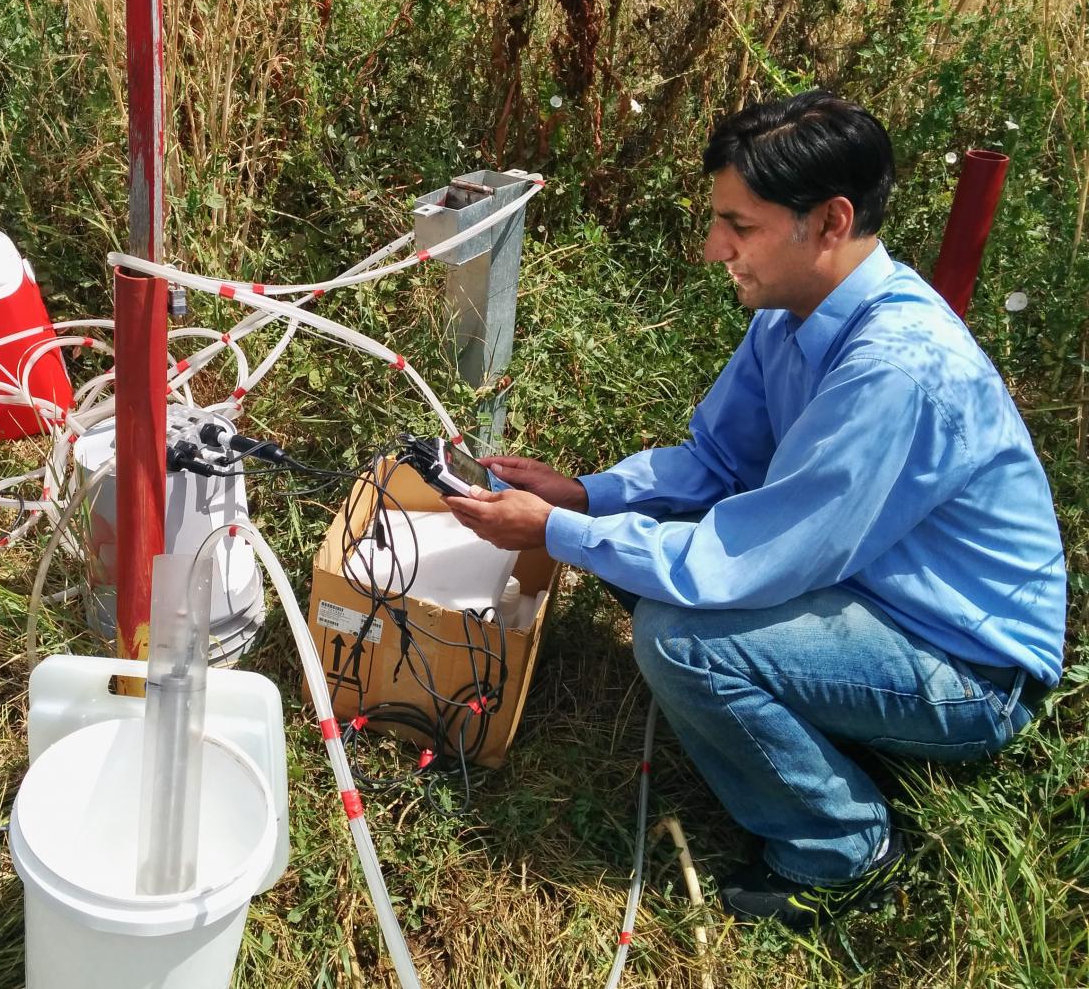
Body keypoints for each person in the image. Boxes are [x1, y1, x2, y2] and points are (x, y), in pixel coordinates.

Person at [443, 90, 1066, 928]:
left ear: (830, 221)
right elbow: (717, 460)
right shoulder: (797, 312)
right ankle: (812, 728)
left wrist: (556, 531)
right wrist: (587, 494)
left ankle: (841, 846)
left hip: (967, 665)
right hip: (874, 592)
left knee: (680, 638)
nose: (714, 249)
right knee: (649, 565)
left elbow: (749, 556)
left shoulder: (897, 369)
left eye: (740, 226)